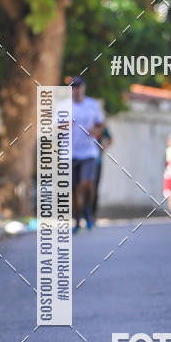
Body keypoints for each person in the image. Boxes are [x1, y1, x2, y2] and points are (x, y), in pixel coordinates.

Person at [70, 76, 104, 231]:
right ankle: (77, 219)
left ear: (83, 87)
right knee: (74, 189)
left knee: (86, 185)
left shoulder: (92, 105)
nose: (75, 89)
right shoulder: (64, 106)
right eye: (73, 87)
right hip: (70, 153)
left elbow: (101, 125)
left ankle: (88, 210)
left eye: (78, 86)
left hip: (89, 153)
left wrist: (95, 131)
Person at [92, 125, 113, 219]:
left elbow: (110, 139)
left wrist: (103, 147)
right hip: (80, 160)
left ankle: (92, 214)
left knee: (94, 187)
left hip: (96, 161)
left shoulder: (101, 125)